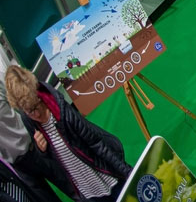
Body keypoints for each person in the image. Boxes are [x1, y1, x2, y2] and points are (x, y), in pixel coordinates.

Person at [4, 66, 130, 202]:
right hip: (84, 189)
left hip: (103, 174)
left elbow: (96, 142)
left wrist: (126, 171)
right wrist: (43, 151)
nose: (36, 114)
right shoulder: (27, 118)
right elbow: (54, 165)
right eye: (29, 111)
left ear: (38, 95)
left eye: (36, 106)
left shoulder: (60, 108)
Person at [0, 76, 61, 202]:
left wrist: (39, 126)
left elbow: (22, 99)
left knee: (72, 185)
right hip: (18, 166)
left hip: (37, 146)